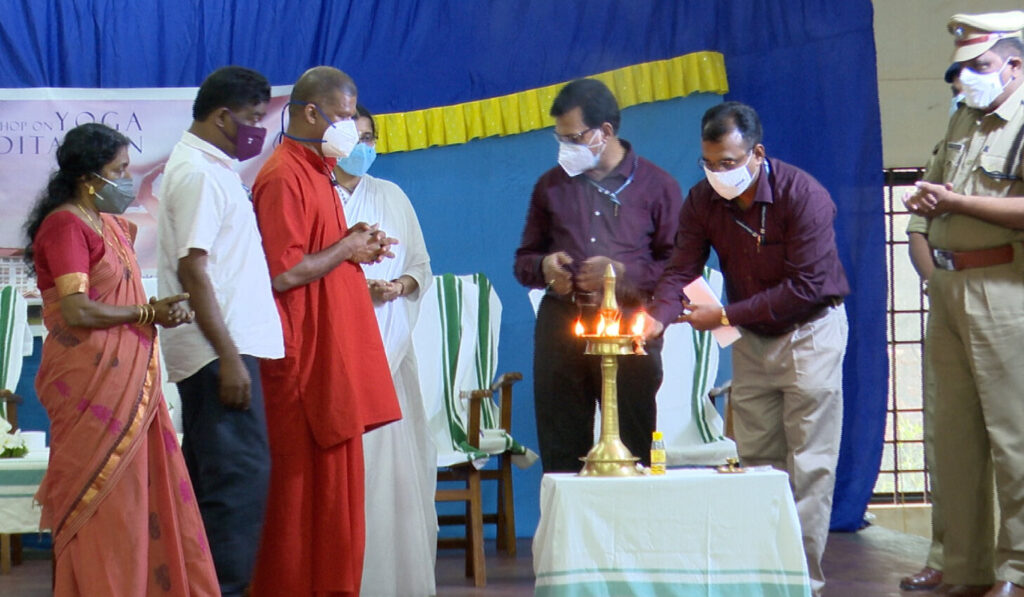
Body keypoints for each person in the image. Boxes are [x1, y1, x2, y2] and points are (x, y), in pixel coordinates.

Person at [646, 102, 849, 596]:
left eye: (729, 163)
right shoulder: (702, 201)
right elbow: (681, 269)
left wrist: (727, 315)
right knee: (758, 464)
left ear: (757, 153)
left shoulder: (804, 196)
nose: (719, 174)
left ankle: (801, 582)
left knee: (810, 467)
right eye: (709, 163)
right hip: (754, 342)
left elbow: (807, 286)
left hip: (810, 333)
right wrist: (656, 316)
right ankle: (762, 579)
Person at [24, 122, 218, 596]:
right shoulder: (65, 225)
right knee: (106, 502)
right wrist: (149, 311)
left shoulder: (113, 226)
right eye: (121, 170)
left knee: (140, 497)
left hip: (132, 383)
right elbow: (77, 308)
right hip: (90, 388)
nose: (129, 180)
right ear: (91, 178)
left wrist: (159, 312)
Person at [249, 66, 402, 597]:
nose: (348, 129)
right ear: (310, 113)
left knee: (336, 505)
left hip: (331, 360)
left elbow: (321, 253)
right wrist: (344, 249)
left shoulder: (318, 170)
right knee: (300, 507)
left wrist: (355, 241)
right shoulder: (281, 176)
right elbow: (282, 272)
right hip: (302, 366)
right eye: (341, 117)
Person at [903, 10, 1024, 597]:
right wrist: (929, 262)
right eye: (959, 70)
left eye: (979, 67)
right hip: (947, 288)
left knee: (1014, 438)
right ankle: (958, 563)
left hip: (1005, 290)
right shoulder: (960, 121)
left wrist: (954, 204)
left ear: (1015, 66)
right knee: (950, 437)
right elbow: (931, 201)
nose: (964, 80)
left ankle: (1017, 571)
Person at [156, 66, 283, 597]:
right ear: (222, 116)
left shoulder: (215, 167)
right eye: (253, 119)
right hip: (218, 354)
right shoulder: (200, 175)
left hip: (224, 349)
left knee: (222, 487)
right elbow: (194, 270)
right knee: (236, 489)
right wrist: (228, 357)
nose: (258, 129)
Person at [513, 78, 682, 473]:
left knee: (632, 452)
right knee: (561, 453)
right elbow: (524, 260)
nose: (565, 149)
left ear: (605, 132)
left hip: (627, 329)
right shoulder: (550, 186)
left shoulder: (658, 187)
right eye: (560, 139)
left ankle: (633, 535)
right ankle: (567, 536)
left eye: (573, 138)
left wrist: (620, 274)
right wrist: (544, 268)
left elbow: (677, 269)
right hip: (562, 327)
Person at [334, 104, 438, 597]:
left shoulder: (391, 195)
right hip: (339, 355)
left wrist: (399, 284)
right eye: (354, 138)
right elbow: (306, 273)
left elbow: (420, 262)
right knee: (354, 476)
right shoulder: (317, 197)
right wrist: (360, 289)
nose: (363, 147)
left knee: (399, 471)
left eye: (370, 137)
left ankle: (399, 581)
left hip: (392, 350)